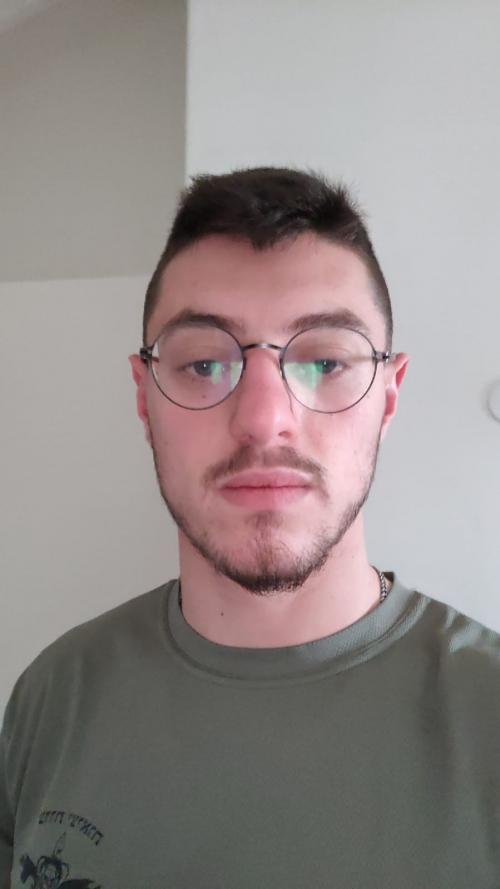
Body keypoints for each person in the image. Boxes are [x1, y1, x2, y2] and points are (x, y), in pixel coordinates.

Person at [1, 168, 499, 889]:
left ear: (388, 399)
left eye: (325, 360)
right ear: (144, 399)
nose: (264, 421)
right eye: (204, 363)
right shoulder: (52, 694)